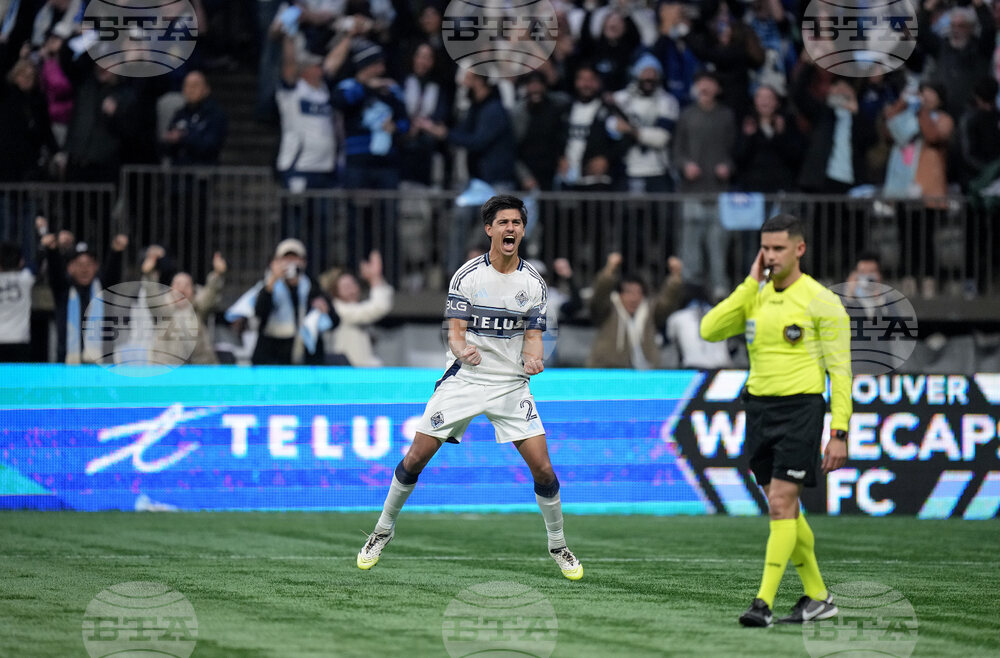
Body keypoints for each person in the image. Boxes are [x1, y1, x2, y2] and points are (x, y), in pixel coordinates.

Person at [357, 195, 583, 581]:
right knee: (415, 459)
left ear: (523, 230)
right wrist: (462, 350)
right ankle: (381, 530)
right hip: (466, 378)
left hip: (510, 384)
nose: (510, 228)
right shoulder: (468, 277)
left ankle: (558, 544)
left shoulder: (533, 284)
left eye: (516, 222)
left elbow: (532, 337)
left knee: (544, 469)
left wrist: (534, 359)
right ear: (489, 230)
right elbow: (455, 334)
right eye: (503, 222)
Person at [699, 213, 851, 627]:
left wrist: (839, 431)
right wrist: (750, 284)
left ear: (799, 249)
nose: (770, 255)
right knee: (785, 506)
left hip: (802, 409)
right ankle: (819, 598)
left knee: (781, 505)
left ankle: (762, 603)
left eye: (779, 248)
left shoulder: (822, 301)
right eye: (765, 248)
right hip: (759, 410)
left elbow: (841, 372)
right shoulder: (756, 294)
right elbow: (709, 329)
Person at [225, 238, 338, 365]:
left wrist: (325, 311)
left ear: (303, 262)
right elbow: (260, 313)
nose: (290, 264)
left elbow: (335, 321)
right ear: (275, 262)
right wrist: (272, 281)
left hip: (305, 362)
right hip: (272, 360)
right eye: (286, 259)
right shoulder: (266, 286)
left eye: (295, 259)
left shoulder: (312, 287)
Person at [41, 230, 128, 363]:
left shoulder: (103, 291)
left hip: (101, 364)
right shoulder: (63, 291)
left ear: (96, 267)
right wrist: (52, 250)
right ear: (70, 267)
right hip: (68, 364)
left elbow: (113, 275)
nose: (84, 269)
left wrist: (116, 252)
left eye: (88, 264)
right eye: (79, 264)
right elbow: (55, 273)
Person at [586, 252, 683, 369]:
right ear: (619, 294)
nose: (634, 298)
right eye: (629, 292)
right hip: (607, 370)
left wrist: (675, 277)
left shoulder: (649, 311)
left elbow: (667, 302)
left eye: (639, 293)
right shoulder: (608, 308)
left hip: (645, 372)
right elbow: (599, 296)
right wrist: (609, 270)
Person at [142, 246, 227, 365]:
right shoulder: (163, 310)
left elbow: (210, 294)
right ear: (171, 289)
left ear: (193, 290)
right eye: (177, 284)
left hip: (199, 370)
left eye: (187, 285)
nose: (181, 289)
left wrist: (217, 274)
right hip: (165, 369)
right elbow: (152, 296)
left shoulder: (198, 308)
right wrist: (149, 274)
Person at [324, 250, 394, 367]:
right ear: (335, 291)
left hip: (361, 373)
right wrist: (375, 278)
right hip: (348, 375)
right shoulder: (338, 309)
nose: (351, 290)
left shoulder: (354, 307)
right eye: (346, 286)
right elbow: (378, 308)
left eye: (353, 285)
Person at [0, 242, 35, 362]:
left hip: (11, 339)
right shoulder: (26, 278)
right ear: (21, 262)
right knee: (18, 380)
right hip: (19, 340)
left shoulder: (25, 278)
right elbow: (34, 265)